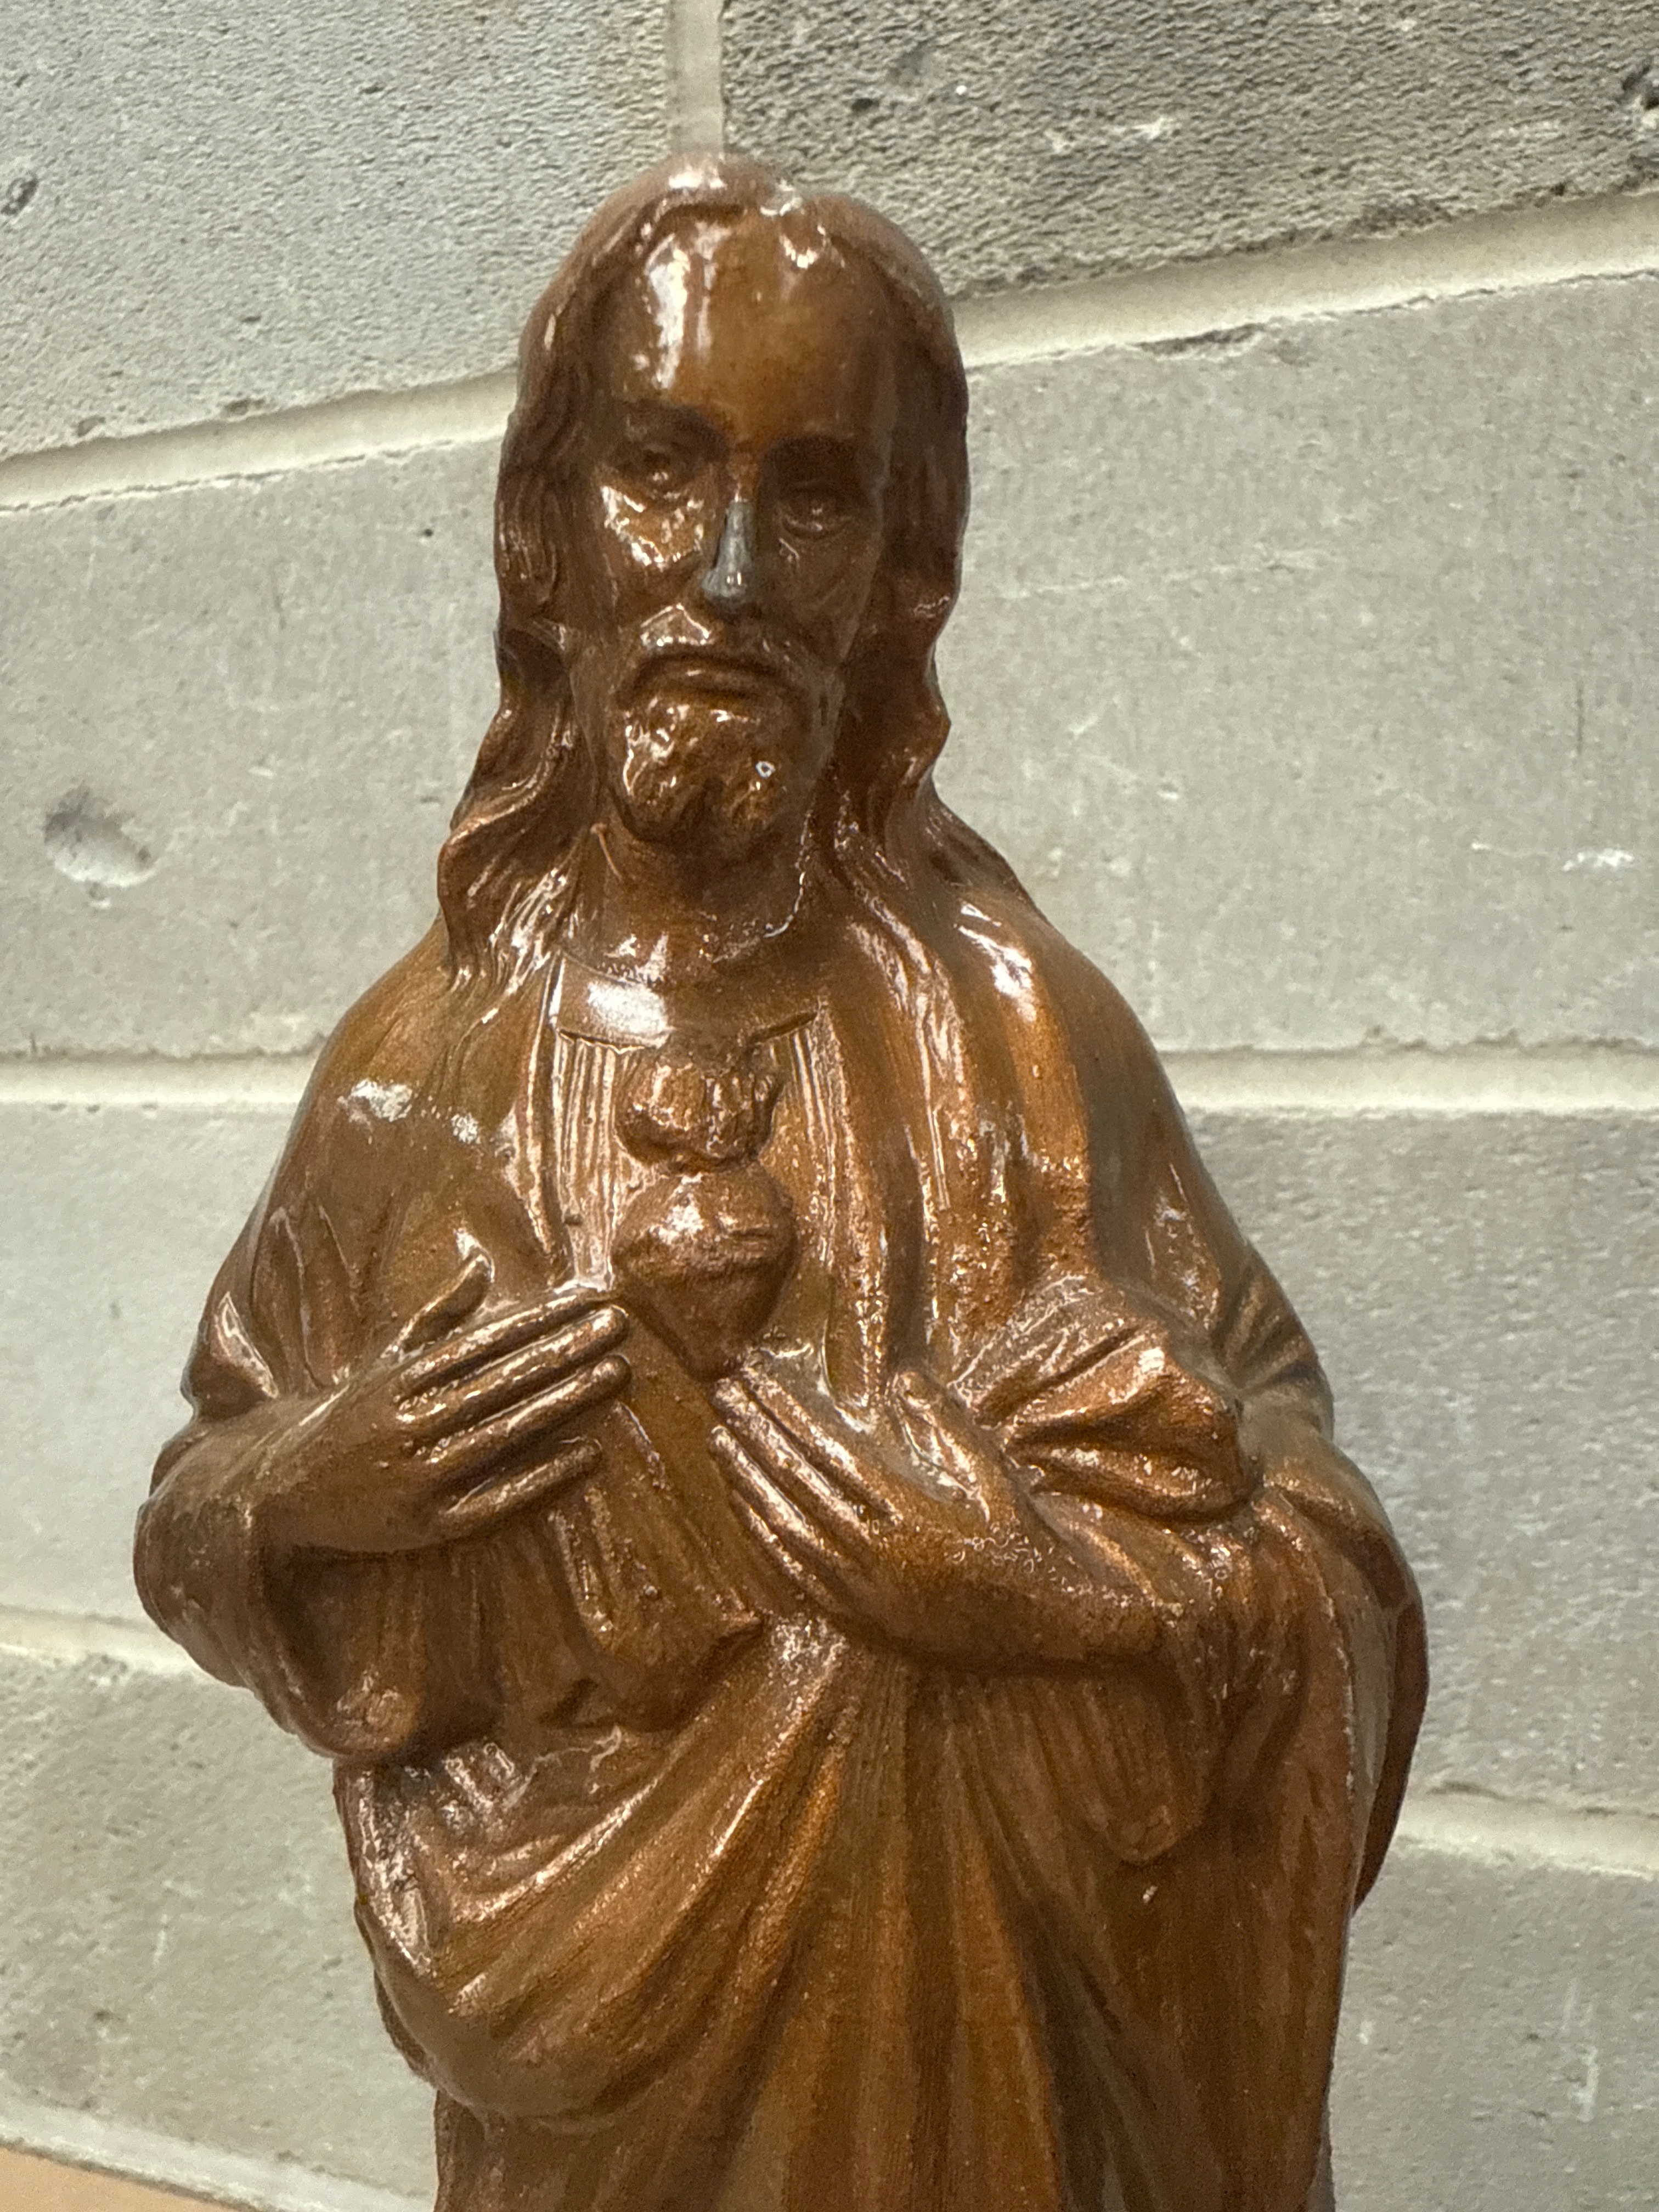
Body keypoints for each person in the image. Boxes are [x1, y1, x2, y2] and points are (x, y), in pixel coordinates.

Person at [136, 157, 1425, 2212]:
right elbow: (195, 1509)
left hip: (972, 2098)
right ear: (544, 534)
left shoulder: (1027, 1041)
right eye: (660, 472)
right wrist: (309, 1490)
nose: (729, 571)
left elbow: (1305, 1529)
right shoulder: (417, 1071)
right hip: (578, 2087)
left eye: (815, 498)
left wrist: (1046, 1597)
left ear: (902, 576)